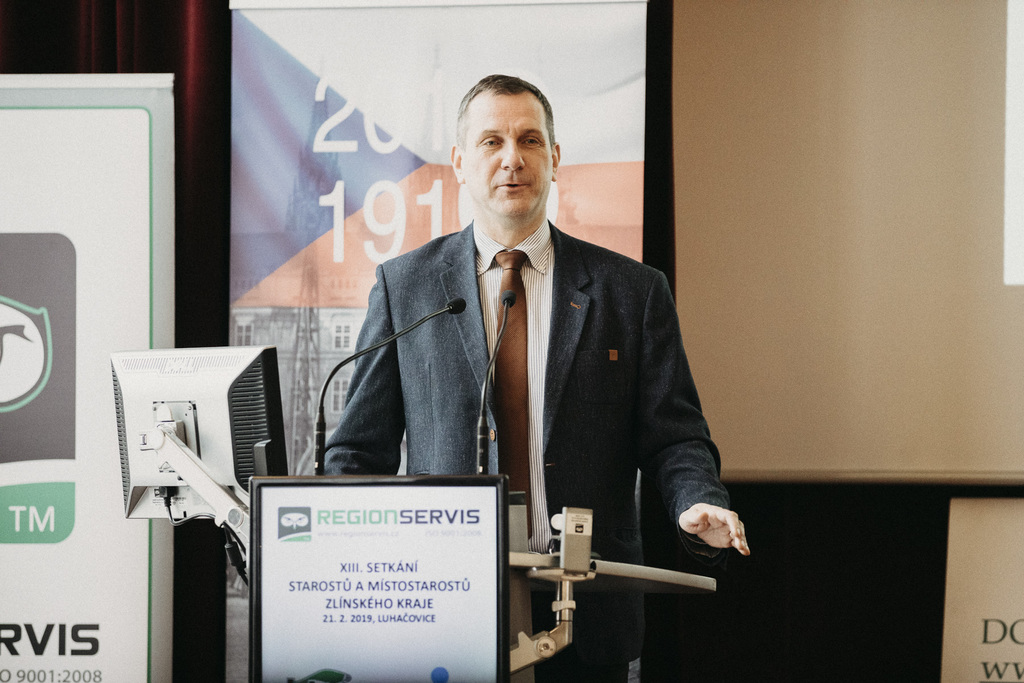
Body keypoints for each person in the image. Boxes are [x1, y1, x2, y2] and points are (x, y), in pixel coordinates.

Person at [324, 74, 749, 682]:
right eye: (491, 141)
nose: (511, 159)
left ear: (554, 158)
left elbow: (675, 436)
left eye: (529, 140)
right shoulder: (405, 288)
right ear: (459, 163)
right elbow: (358, 452)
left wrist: (697, 499)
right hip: (441, 609)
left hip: (588, 613)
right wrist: (340, 556)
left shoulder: (632, 292)